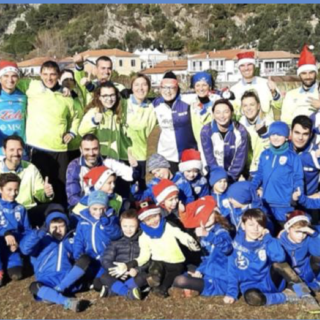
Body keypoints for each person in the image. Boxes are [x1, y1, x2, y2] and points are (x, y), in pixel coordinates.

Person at [223, 209, 318, 308]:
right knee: (251, 297)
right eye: (251, 225)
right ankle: (287, 297)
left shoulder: (268, 240)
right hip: (251, 286)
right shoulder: (235, 246)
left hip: (271, 282)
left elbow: (280, 257)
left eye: (259, 225)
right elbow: (232, 272)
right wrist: (231, 293)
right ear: (243, 226)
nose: (255, 229)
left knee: (280, 265)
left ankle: (305, 296)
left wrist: (267, 237)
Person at [108, 199, 200, 297]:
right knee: (155, 269)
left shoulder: (167, 226)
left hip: (175, 261)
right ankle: (154, 279)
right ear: (143, 221)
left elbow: (181, 235)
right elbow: (144, 256)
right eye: (148, 219)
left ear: (159, 214)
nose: (153, 221)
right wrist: (128, 265)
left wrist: (190, 242)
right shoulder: (144, 236)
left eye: (155, 216)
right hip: (158, 261)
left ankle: (163, 288)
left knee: (169, 279)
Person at [17, 60, 78, 207]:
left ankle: (62, 220)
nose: (48, 78)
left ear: (58, 75)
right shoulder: (31, 86)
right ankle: (43, 221)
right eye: (45, 74)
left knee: (61, 187)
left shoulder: (66, 96)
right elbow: (9, 80)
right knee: (41, 188)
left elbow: (76, 116)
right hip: (37, 147)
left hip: (60, 148)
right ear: (40, 74)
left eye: (52, 74)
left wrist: (72, 132)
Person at [20, 205, 88, 312]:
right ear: (47, 227)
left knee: (85, 260)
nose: (58, 230)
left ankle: (56, 292)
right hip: (47, 279)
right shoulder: (42, 240)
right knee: (34, 287)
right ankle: (67, 301)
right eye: (54, 227)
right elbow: (25, 249)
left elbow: (79, 255)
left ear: (67, 226)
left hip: (68, 278)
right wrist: (39, 233)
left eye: (61, 226)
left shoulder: (71, 240)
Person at [251, 121, 320, 227]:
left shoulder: (292, 157)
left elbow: (298, 178)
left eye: (279, 134)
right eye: (273, 134)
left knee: (284, 233)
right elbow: (259, 174)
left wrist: (298, 193)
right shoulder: (265, 154)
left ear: (287, 137)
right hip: (265, 203)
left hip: (284, 204)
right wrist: (253, 187)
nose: (275, 137)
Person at [171, 196, 232, 298]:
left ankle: (190, 289)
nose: (206, 219)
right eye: (202, 217)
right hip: (208, 273)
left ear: (216, 213)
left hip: (221, 278)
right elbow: (206, 259)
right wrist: (200, 270)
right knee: (182, 277)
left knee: (181, 281)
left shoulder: (221, 231)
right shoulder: (203, 236)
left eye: (208, 215)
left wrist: (208, 235)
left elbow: (227, 248)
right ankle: (189, 288)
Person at [66, 134, 138, 209]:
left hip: (107, 205)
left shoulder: (108, 162)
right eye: (87, 149)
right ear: (81, 150)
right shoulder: (74, 167)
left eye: (95, 149)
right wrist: (94, 205)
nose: (91, 153)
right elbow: (72, 198)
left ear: (99, 148)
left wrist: (134, 166)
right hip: (84, 207)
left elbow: (131, 174)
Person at [0, 135, 54, 227]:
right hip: (3, 211)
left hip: (27, 210)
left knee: (54, 208)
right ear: (4, 151)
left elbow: (39, 194)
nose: (16, 153)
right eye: (11, 150)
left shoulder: (30, 168)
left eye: (19, 149)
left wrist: (46, 193)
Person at [73, 190, 121, 291]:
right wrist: (77, 252)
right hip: (89, 255)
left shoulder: (111, 218)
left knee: (100, 280)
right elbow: (78, 239)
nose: (98, 212)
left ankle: (104, 283)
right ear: (89, 207)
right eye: (95, 209)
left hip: (105, 256)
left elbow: (116, 235)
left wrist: (107, 224)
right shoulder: (82, 221)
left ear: (106, 207)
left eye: (102, 209)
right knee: (85, 273)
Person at [152, 71, 197, 174]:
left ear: (177, 88)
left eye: (171, 87)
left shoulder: (188, 101)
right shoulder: (155, 104)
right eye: (164, 87)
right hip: (166, 156)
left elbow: (208, 97)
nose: (168, 91)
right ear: (160, 88)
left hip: (188, 154)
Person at [100, 209, 145, 300]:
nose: (128, 229)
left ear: (138, 225)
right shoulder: (116, 241)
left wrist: (137, 270)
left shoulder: (142, 240)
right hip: (118, 274)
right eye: (125, 226)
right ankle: (128, 293)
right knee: (103, 277)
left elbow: (147, 259)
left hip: (133, 274)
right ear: (120, 225)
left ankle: (113, 290)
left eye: (132, 226)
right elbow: (106, 259)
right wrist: (117, 270)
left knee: (144, 277)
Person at [200, 99, 249, 182]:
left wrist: (229, 180)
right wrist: (218, 179)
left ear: (232, 113)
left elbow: (239, 160)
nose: (222, 116)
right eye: (218, 112)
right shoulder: (206, 131)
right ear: (213, 114)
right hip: (214, 176)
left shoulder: (240, 131)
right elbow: (209, 159)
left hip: (233, 177)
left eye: (226, 112)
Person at [120, 73, 157, 180]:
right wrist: (128, 154)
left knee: (140, 191)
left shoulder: (152, 107)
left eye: (144, 85)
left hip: (142, 156)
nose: (140, 88)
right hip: (124, 155)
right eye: (136, 85)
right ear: (131, 87)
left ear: (149, 88)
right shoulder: (124, 104)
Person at [78, 81, 122, 160]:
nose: (109, 99)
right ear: (99, 97)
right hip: (97, 158)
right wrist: (93, 122)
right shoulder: (94, 112)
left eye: (112, 95)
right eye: (105, 96)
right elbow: (82, 131)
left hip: (115, 158)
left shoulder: (119, 112)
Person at [0, 173, 31, 284]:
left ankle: (10, 264)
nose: (13, 193)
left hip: (13, 249)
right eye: (9, 189)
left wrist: (19, 242)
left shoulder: (21, 209)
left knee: (17, 275)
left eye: (16, 190)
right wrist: (6, 233)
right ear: (1, 189)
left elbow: (27, 230)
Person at [231, 51, 280, 119]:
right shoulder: (234, 90)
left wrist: (274, 93)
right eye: (242, 65)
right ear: (239, 68)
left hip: (266, 126)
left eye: (249, 64)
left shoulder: (267, 84)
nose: (246, 68)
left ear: (254, 66)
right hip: (243, 128)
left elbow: (279, 106)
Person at [279, 210, 320, 292]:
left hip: (306, 271)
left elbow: (317, 252)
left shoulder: (308, 239)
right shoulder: (280, 242)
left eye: (304, 232)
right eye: (297, 232)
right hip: (291, 275)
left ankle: (313, 284)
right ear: (288, 229)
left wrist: (313, 233)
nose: (301, 236)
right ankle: (310, 286)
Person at [281, 45, 320, 125]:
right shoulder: (291, 95)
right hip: (298, 135)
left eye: (311, 73)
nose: (308, 77)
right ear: (299, 75)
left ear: (316, 73)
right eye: (304, 73)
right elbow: (285, 119)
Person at [239, 90, 273, 177]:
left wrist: (264, 133)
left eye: (252, 105)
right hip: (247, 169)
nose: (248, 108)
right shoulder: (241, 123)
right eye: (245, 105)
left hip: (265, 169)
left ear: (258, 106)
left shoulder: (269, 123)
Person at [0, 61, 27, 155]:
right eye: (6, 76)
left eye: (14, 76)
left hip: (20, 151)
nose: (10, 80)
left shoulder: (24, 95)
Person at [60, 69, 85, 162]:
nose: (69, 82)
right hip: (62, 145)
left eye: (71, 79)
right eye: (66, 79)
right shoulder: (57, 97)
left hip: (77, 144)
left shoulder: (77, 98)